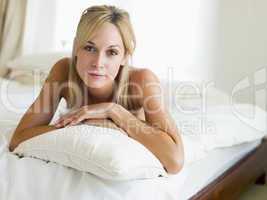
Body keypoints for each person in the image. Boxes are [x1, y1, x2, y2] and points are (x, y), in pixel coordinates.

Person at [9, 5, 184, 174]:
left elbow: (175, 161)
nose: (98, 63)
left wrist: (114, 111)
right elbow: (18, 138)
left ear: (125, 57)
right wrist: (87, 123)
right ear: (76, 47)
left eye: (112, 52)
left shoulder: (142, 80)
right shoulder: (63, 71)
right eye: (89, 48)